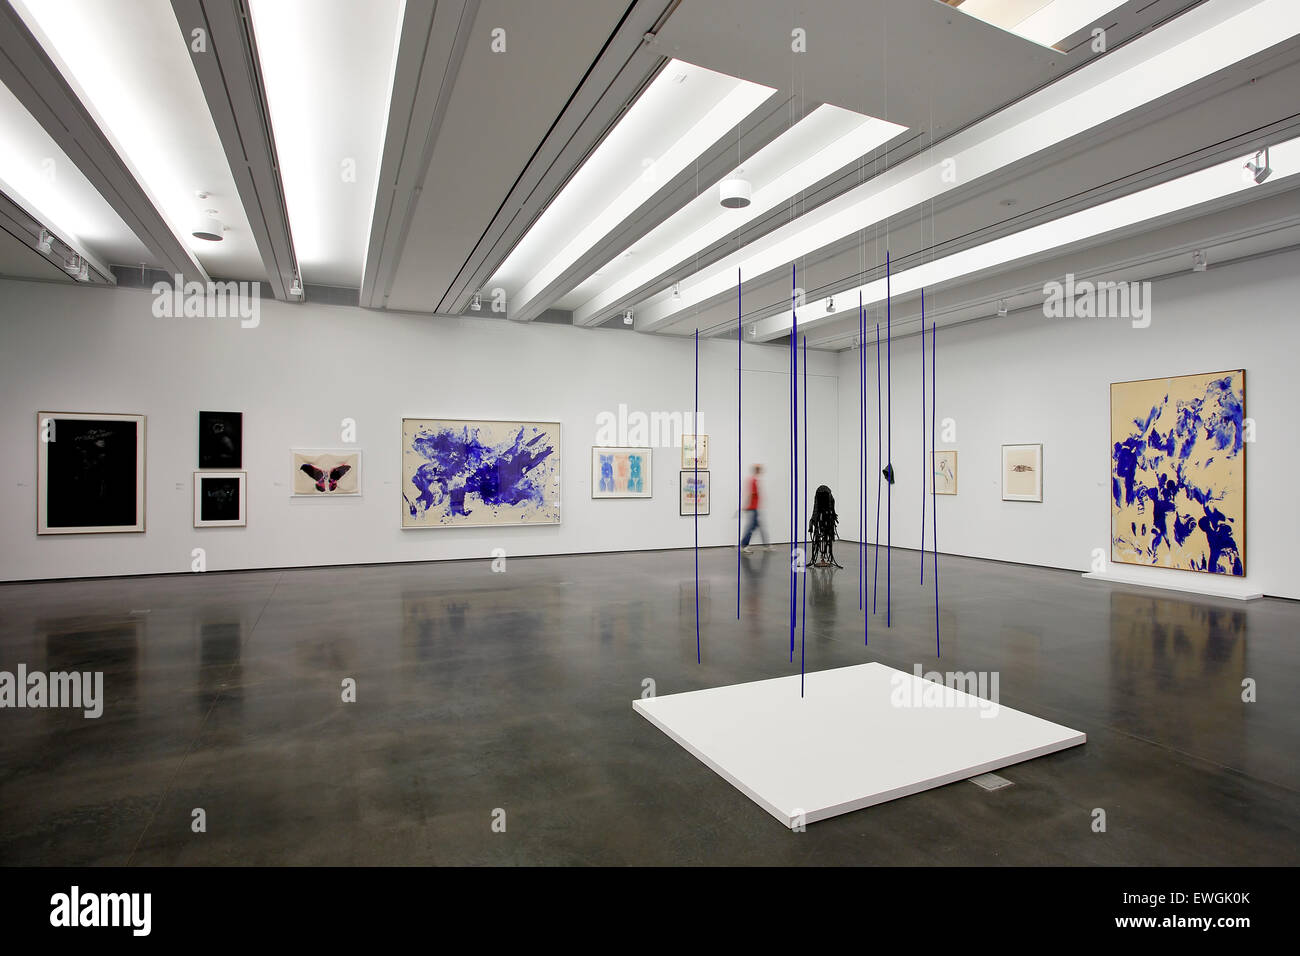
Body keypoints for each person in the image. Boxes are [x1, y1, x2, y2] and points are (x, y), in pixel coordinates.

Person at [740, 464, 769, 553]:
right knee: (751, 527)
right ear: (757, 471)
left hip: (754, 508)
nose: (760, 472)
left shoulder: (754, 480)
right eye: (759, 470)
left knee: (757, 526)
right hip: (752, 508)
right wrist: (746, 505)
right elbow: (751, 494)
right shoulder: (753, 481)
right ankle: (744, 545)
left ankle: (766, 545)